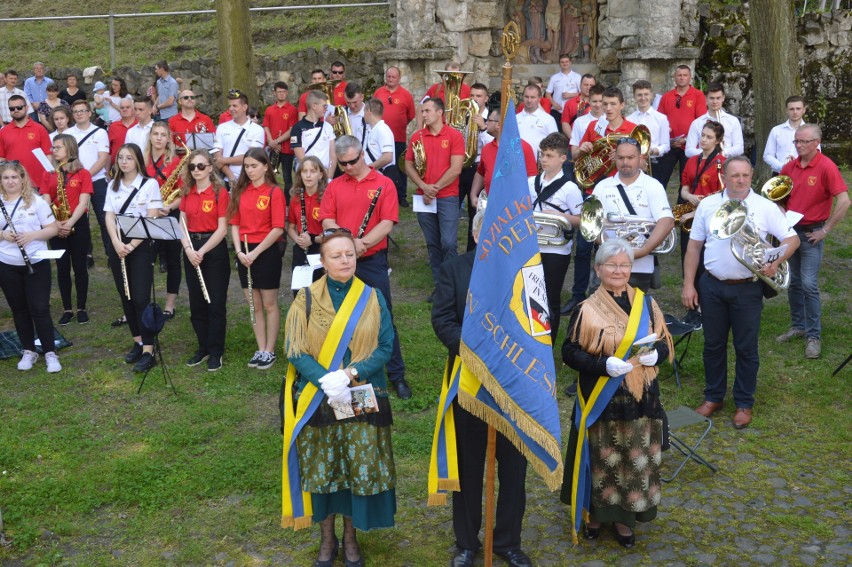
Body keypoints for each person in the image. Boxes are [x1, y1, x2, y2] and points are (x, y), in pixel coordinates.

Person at [283, 229, 397, 567]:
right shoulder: (305, 298)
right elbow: (294, 349)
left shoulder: (373, 297)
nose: (345, 260)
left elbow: (385, 347)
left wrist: (348, 375)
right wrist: (324, 379)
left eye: (349, 254)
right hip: (320, 398)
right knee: (324, 467)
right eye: (336, 255)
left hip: (359, 393)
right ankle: (326, 537)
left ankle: (350, 538)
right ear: (324, 260)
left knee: (355, 466)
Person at [431, 209, 534, 567]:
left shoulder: (525, 271)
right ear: (477, 234)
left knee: (513, 470)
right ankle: (466, 543)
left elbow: (538, 325)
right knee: (469, 468)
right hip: (469, 384)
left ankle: (507, 541)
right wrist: (477, 350)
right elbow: (442, 319)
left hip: (513, 386)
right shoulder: (454, 270)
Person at [559, 238, 673, 548]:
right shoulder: (586, 308)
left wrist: (657, 356)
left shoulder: (647, 304)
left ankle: (626, 517)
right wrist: (601, 364)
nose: (618, 270)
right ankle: (597, 513)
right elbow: (568, 352)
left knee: (633, 457)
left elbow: (663, 341)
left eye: (624, 265)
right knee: (602, 458)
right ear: (598, 269)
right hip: (602, 397)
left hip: (640, 398)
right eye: (611, 264)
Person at [682, 156, 799, 429]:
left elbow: (791, 239)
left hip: (747, 288)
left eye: (746, 175)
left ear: (752, 176)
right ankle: (713, 397)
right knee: (713, 345)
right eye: (735, 175)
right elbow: (693, 248)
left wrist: (776, 261)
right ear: (726, 177)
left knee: (746, 348)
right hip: (711, 285)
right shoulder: (709, 205)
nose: (741, 180)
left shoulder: (764, 206)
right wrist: (689, 284)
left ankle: (744, 403)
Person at [319, 135, 410, 399]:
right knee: (340, 317)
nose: (348, 167)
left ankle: (397, 375)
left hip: (371, 260)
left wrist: (363, 244)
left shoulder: (384, 184)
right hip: (343, 260)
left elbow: (388, 221)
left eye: (352, 161)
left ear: (362, 155)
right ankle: (343, 374)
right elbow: (326, 219)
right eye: (343, 163)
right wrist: (348, 244)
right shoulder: (335, 185)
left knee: (383, 316)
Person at [776, 124, 849, 359]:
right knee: (794, 282)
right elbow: (778, 196)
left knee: (808, 284)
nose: (798, 145)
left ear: (816, 143)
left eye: (803, 142)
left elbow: (844, 201)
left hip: (811, 235)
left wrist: (825, 230)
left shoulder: (826, 166)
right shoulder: (790, 166)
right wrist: (779, 210)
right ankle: (798, 326)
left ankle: (813, 336)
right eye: (796, 141)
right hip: (791, 232)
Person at [103, 143, 163, 373]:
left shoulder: (149, 184)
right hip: (117, 242)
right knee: (125, 296)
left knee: (140, 298)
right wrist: (116, 244)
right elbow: (109, 215)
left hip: (139, 244)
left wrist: (130, 245)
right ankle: (138, 341)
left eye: (129, 158)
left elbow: (151, 218)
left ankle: (149, 350)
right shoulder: (113, 185)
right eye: (120, 158)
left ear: (138, 160)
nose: (124, 161)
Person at [227, 147, 285, 370]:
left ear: (265, 166)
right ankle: (260, 348)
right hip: (245, 252)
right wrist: (240, 251)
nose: (250, 170)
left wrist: (255, 252)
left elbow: (278, 228)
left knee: (269, 304)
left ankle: (270, 350)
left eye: (254, 166)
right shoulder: (241, 191)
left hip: (266, 251)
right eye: (247, 166)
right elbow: (234, 223)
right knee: (254, 304)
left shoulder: (274, 192)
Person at [591, 137, 674, 292]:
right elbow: (589, 224)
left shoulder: (653, 185)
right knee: (600, 313)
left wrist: (643, 250)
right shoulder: (602, 187)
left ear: (640, 158)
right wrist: (609, 248)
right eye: (621, 158)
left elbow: (667, 221)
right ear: (615, 158)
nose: (625, 162)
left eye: (630, 157)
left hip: (639, 266)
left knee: (634, 314)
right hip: (606, 265)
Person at [0, 161, 60, 372]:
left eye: (14, 177)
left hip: (36, 262)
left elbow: (52, 229)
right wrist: (3, 235)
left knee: (40, 308)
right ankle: (28, 351)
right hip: (7, 264)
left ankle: (50, 352)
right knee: (19, 310)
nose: (10, 181)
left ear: (22, 179)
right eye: (5, 177)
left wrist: (32, 236)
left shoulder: (36, 202)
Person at [178, 149, 231, 372]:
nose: (196, 170)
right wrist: (189, 249)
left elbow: (222, 229)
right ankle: (203, 347)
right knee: (197, 303)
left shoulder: (220, 192)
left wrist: (202, 251)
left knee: (215, 303)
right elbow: (181, 223)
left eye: (201, 166)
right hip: (191, 248)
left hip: (213, 249)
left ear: (210, 167)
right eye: (192, 167)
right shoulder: (187, 191)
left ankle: (216, 350)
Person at [405, 97, 464, 295]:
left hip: (446, 195)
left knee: (448, 242)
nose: (423, 115)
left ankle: (452, 286)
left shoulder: (454, 136)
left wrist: (434, 188)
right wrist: (423, 186)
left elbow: (456, 169)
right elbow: (408, 164)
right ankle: (441, 287)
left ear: (440, 113)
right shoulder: (416, 137)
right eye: (422, 111)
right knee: (432, 243)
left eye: (427, 111)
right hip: (424, 197)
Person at [529, 133, 583, 343]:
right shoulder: (531, 182)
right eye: (542, 154)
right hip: (533, 246)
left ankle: (548, 343)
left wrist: (560, 216)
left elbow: (580, 220)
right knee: (529, 295)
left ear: (562, 158)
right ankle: (531, 337)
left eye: (549, 156)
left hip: (556, 251)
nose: (543, 159)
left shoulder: (570, 188)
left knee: (550, 297)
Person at [41, 134, 93, 326]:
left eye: (58, 147)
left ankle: (81, 307)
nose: (54, 151)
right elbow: (45, 200)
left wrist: (70, 223)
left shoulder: (83, 173)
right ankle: (67, 309)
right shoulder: (49, 173)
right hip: (56, 224)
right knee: (62, 269)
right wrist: (55, 224)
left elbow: (83, 202)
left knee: (80, 268)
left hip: (77, 224)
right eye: (53, 148)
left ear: (69, 149)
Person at [144, 121, 183, 319]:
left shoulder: (175, 162)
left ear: (168, 139)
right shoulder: (142, 160)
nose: (159, 138)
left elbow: (183, 192)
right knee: (146, 260)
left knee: (174, 260)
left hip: (169, 214)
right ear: (150, 136)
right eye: (155, 134)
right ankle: (145, 302)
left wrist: (168, 207)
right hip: (149, 216)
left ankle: (170, 305)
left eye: (163, 135)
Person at [679, 121, 726, 268]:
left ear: (718, 141)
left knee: (705, 261)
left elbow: (723, 196)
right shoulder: (691, 161)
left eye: (709, 137)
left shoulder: (724, 164)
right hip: (689, 211)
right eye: (703, 135)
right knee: (688, 257)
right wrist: (689, 197)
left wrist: (695, 213)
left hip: (710, 216)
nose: (703, 139)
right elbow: (683, 189)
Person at [67, 99, 111, 257]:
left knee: (105, 219)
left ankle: (110, 253)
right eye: (76, 111)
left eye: (82, 111)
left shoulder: (100, 132)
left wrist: (85, 176)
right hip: (75, 183)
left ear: (89, 113)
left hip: (97, 180)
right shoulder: (68, 134)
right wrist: (79, 178)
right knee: (80, 221)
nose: (79, 114)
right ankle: (86, 254)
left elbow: (102, 158)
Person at [470, 109, 538, 208]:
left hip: (515, 207)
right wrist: (473, 194)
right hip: (491, 205)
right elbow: (480, 173)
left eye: (489, 120)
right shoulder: (487, 148)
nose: (486, 123)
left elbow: (531, 179)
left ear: (498, 125)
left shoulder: (523, 148)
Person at [655, 65, 707, 190]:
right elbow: (659, 122)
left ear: (690, 77)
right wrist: (668, 141)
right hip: (669, 145)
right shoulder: (666, 97)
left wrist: (686, 139)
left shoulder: (698, 95)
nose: (682, 78)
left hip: (689, 146)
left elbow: (702, 122)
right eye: (679, 75)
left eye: (685, 75)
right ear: (674, 78)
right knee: (659, 179)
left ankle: (682, 209)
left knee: (686, 182)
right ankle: (659, 206)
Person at [373, 67, 416, 207]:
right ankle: (381, 193)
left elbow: (410, 115)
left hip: (398, 137)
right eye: (389, 76)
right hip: (380, 138)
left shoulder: (406, 95)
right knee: (382, 165)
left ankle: (401, 195)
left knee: (400, 166)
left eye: (393, 77)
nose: (390, 79)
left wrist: (399, 125)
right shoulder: (379, 92)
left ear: (399, 78)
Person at [286, 156, 327, 290]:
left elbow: (331, 232)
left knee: (319, 292)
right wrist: (297, 239)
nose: (308, 175)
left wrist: (313, 240)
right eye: (304, 171)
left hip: (321, 248)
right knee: (300, 293)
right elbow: (291, 227)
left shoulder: (327, 198)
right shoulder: (296, 198)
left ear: (320, 175)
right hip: (301, 248)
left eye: (313, 171)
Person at [213, 89, 265, 185]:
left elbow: (251, 157)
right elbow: (217, 157)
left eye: (235, 106)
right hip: (226, 180)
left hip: (249, 180)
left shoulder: (257, 130)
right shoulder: (221, 127)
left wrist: (224, 160)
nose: (231, 109)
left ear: (245, 107)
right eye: (230, 106)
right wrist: (230, 176)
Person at [0, 94, 52, 189]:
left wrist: (47, 176)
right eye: (12, 108)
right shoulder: (3, 132)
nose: (16, 110)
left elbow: (48, 154)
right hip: (12, 184)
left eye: (19, 107)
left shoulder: (40, 129)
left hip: (37, 183)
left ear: (27, 107)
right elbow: (1, 158)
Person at [626, 79, 671, 186]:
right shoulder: (629, 119)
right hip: (634, 163)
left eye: (646, 94)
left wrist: (653, 151)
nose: (643, 98)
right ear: (634, 97)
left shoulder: (661, 118)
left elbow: (666, 145)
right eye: (639, 95)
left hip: (655, 163)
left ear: (651, 95)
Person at [684, 82, 744, 159]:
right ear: (706, 98)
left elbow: (739, 148)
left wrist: (722, 153)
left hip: (726, 164)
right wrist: (708, 154)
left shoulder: (733, 121)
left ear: (723, 98)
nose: (715, 102)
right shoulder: (697, 123)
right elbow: (688, 151)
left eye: (718, 98)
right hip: (704, 164)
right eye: (711, 98)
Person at [262, 82, 298, 194]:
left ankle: (287, 203)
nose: (281, 94)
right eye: (279, 92)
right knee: (269, 175)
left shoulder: (292, 109)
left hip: (287, 149)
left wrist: (276, 141)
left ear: (287, 93)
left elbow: (292, 130)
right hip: (273, 148)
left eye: (283, 92)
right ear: (274, 93)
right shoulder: (269, 110)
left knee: (287, 178)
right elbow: (266, 127)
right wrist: (271, 142)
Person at [290, 90, 337, 174]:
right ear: (314, 106)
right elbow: (301, 157)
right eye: (324, 106)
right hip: (308, 175)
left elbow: (333, 154)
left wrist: (329, 175)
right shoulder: (297, 128)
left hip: (326, 176)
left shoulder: (328, 126)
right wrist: (315, 173)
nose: (326, 109)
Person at [763, 95, 808, 175]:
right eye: (791, 109)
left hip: (803, 174)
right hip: (780, 174)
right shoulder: (776, 130)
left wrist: (799, 164)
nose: (795, 112)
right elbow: (767, 155)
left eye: (798, 109)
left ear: (804, 110)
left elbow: (816, 155)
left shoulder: (810, 131)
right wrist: (783, 167)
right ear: (786, 110)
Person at [516, 84, 558, 157]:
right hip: (518, 162)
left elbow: (555, 144)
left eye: (532, 97)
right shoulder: (515, 119)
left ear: (539, 98)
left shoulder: (548, 119)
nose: (529, 100)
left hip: (540, 164)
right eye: (526, 97)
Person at [545, 53, 582, 125]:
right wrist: (554, 104)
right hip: (557, 110)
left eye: (566, 61)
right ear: (559, 64)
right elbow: (547, 94)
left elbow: (583, 94)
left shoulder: (577, 77)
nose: (564, 64)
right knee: (556, 133)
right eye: (562, 62)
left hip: (573, 111)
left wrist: (570, 95)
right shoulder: (554, 77)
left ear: (570, 62)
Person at [560, 73, 596, 139]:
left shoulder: (600, 103)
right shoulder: (569, 103)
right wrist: (573, 140)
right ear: (580, 85)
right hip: (574, 140)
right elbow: (565, 123)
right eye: (586, 85)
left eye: (591, 85)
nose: (588, 87)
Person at [108, 98, 137, 165]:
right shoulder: (113, 127)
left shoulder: (139, 125)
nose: (124, 109)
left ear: (133, 109)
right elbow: (109, 151)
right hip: (116, 167)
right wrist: (107, 172)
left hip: (137, 166)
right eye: (122, 108)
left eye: (128, 107)